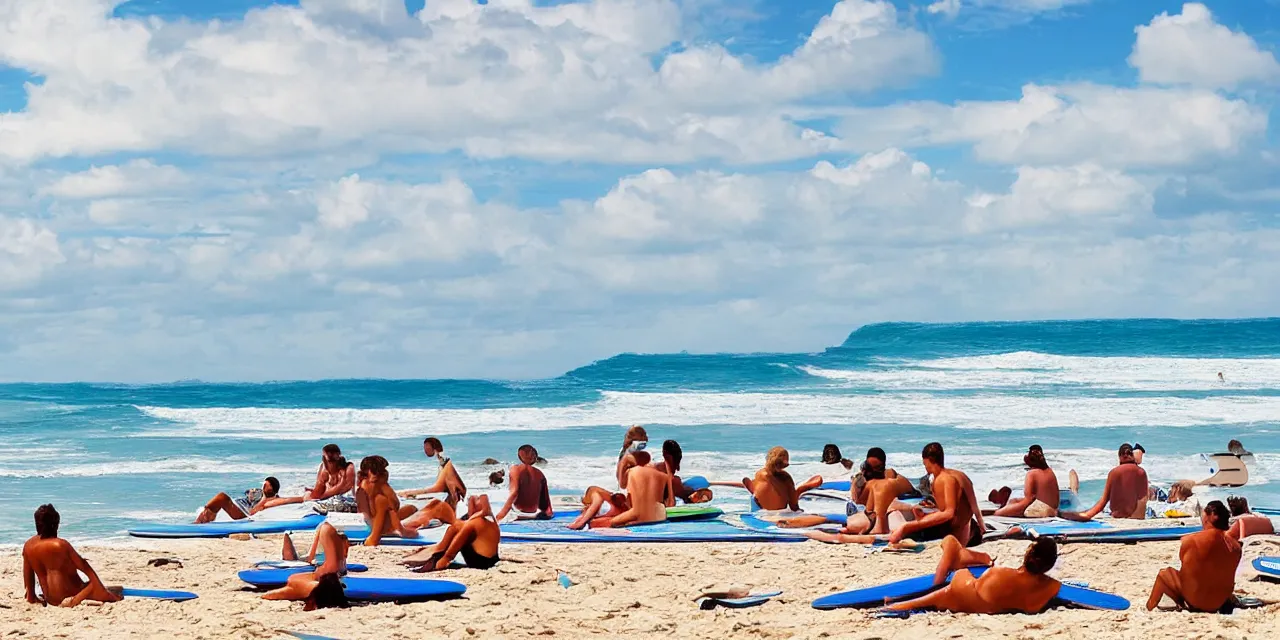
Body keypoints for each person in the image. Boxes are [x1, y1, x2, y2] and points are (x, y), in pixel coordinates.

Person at [884, 537, 1061, 615]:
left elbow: (980, 587)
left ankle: (895, 604)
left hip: (965, 595)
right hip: (988, 605)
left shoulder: (1000, 573)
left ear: (1029, 554)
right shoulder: (1051, 587)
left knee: (951, 543)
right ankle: (897, 602)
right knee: (925, 600)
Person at [1146, 501, 1241, 612]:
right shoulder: (1235, 545)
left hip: (1196, 600)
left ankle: (1149, 607)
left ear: (1208, 517)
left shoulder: (1191, 540)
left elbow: (1186, 572)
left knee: (1164, 574)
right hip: (1220, 601)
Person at [22, 504, 122, 607]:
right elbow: (89, 573)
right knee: (97, 586)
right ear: (55, 524)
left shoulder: (28, 545)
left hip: (51, 600)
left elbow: (28, 577)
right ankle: (79, 600)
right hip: (71, 596)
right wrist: (107, 596)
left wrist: (31, 597)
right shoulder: (60, 545)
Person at [890, 443, 984, 546]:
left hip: (953, 534)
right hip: (969, 530)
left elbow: (948, 513)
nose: (925, 466)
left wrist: (907, 527)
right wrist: (981, 524)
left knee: (902, 532)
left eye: (924, 463)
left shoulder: (942, 479)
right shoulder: (960, 475)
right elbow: (972, 504)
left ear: (928, 460)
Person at [261, 522, 351, 610]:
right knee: (325, 529)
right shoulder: (303, 585)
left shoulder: (301, 586)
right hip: (329, 574)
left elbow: (270, 595)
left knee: (288, 535)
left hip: (327, 575)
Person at [577, 451, 675, 530]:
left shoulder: (633, 472)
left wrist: (624, 462)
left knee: (596, 523)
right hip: (661, 516)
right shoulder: (664, 476)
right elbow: (671, 504)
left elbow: (622, 485)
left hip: (640, 517)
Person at [402, 495, 502, 572]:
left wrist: (442, 561)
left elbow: (451, 554)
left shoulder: (473, 524)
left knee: (454, 528)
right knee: (455, 526)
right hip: (491, 559)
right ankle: (436, 549)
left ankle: (436, 551)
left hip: (481, 562)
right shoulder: (491, 520)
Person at [1062, 444, 1148, 521]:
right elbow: (1143, 500)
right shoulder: (1141, 472)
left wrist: (1087, 515)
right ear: (1132, 455)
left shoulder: (1114, 472)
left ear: (1120, 456)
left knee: (1088, 511)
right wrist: (1138, 518)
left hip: (1118, 516)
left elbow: (1103, 501)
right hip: (1137, 517)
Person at [356, 455, 419, 546]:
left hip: (369, 520)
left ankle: (398, 528)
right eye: (383, 470)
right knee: (382, 501)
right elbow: (394, 505)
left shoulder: (366, 483)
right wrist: (384, 485)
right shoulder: (371, 485)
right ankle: (396, 530)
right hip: (374, 524)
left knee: (412, 509)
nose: (385, 472)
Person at [194, 476, 303, 523]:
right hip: (245, 513)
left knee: (221, 497)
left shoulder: (271, 500)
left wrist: (304, 498)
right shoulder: (266, 498)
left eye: (265, 485)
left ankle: (200, 522)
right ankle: (202, 521)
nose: (263, 487)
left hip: (245, 517)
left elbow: (287, 500)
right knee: (219, 500)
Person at [991, 445, 1060, 518]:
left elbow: (1028, 500)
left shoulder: (1032, 473)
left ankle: (1002, 507)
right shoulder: (1049, 471)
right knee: (1013, 501)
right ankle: (1004, 505)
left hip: (1042, 510)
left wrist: (1001, 512)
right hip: (1053, 508)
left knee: (999, 513)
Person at [398, 437, 467, 507]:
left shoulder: (446, 464)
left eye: (427, 448)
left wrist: (409, 492)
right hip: (451, 501)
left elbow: (438, 488)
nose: (425, 451)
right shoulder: (443, 463)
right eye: (424, 448)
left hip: (455, 504)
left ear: (434, 448)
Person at [494, 444, 553, 522]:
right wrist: (547, 514)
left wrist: (501, 514)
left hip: (518, 512)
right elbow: (546, 504)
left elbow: (514, 493)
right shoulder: (540, 474)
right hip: (533, 512)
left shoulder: (515, 469)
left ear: (520, 457)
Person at [653, 440, 713, 504]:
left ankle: (699, 495)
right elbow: (671, 505)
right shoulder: (671, 480)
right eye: (676, 463)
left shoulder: (657, 468)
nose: (678, 469)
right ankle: (699, 495)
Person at [306, 444, 357, 512]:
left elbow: (347, 487)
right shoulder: (324, 468)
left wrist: (322, 495)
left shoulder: (348, 467)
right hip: (329, 499)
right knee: (308, 498)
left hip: (346, 500)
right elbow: (318, 491)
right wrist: (316, 494)